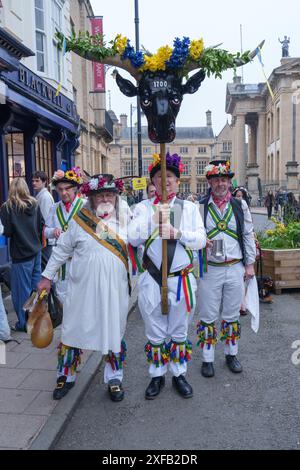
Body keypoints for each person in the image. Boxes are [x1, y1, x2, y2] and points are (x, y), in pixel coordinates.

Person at [38, 174, 131, 402]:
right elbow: (60, 250)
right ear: (92, 198)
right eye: (101, 195)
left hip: (114, 290)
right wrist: (46, 277)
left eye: (110, 194)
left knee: (113, 331)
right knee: (73, 329)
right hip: (81, 289)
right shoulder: (80, 220)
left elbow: (149, 237)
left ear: (116, 197)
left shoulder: (126, 219)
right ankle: (66, 376)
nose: (106, 198)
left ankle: (114, 378)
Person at [128, 152, 206, 400]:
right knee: (154, 329)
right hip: (152, 278)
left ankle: (179, 374)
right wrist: (153, 219)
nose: (165, 181)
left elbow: (201, 240)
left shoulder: (189, 208)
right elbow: (131, 238)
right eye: (159, 177)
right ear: (153, 182)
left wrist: (177, 233)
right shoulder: (141, 208)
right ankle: (157, 375)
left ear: (177, 180)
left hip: (181, 279)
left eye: (169, 176)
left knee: (179, 330)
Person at [197, 160, 256, 378]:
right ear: (210, 182)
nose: (220, 183)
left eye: (224, 179)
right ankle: (207, 358)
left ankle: (231, 355)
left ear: (229, 182)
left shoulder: (240, 206)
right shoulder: (200, 207)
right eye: (216, 180)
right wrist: (202, 240)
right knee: (207, 314)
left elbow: (248, 235)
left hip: (234, 267)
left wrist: (249, 264)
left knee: (232, 314)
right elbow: (192, 234)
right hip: (210, 268)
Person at [0, 178, 44, 331]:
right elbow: (41, 225)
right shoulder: (34, 203)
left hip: (21, 254)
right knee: (34, 288)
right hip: (36, 251)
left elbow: (7, 231)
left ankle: (24, 324)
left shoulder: (7, 207)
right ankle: (36, 319)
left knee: (21, 292)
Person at [44, 168, 84, 304]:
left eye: (67, 189)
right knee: (64, 298)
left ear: (75, 189)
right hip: (62, 262)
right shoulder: (54, 208)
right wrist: (52, 231)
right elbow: (45, 230)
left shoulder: (85, 206)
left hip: (81, 260)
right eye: (60, 189)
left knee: (82, 298)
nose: (63, 192)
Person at [32, 171, 55, 270]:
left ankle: (50, 286)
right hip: (43, 238)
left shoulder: (45, 197)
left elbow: (45, 221)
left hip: (44, 239)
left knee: (45, 267)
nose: (34, 183)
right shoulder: (41, 195)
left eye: (37, 181)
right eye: (33, 181)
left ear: (44, 182)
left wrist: (41, 238)